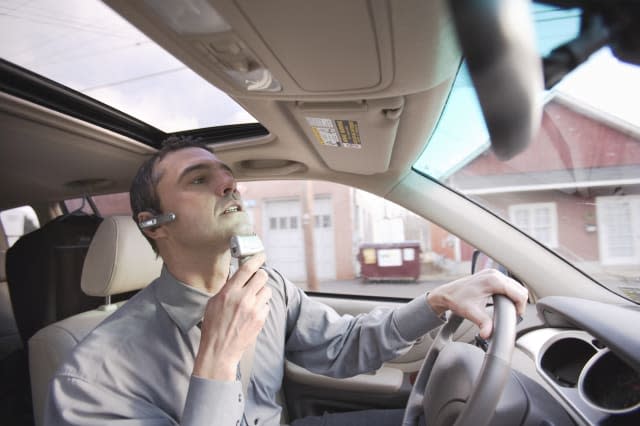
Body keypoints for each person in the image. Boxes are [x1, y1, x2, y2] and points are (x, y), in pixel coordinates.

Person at [45, 136, 528, 426]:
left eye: (227, 175)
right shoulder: (90, 376)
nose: (229, 185)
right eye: (198, 180)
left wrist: (437, 300)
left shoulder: (269, 287)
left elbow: (343, 346)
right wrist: (216, 357)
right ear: (156, 224)